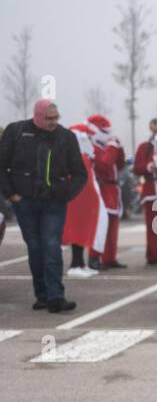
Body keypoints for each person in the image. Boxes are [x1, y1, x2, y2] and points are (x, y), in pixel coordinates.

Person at [0, 98, 87, 312]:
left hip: (53, 203)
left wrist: (66, 194)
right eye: (49, 118)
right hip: (25, 202)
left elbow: (80, 173)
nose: (53, 122)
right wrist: (11, 195)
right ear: (38, 116)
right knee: (35, 247)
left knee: (51, 245)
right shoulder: (16, 131)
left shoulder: (66, 137)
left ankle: (56, 296)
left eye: (56, 117)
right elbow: (2, 166)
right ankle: (42, 295)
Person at [62, 123, 108, 279]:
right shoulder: (75, 156)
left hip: (86, 202)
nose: (90, 141)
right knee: (77, 233)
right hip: (78, 201)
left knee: (83, 233)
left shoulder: (83, 156)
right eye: (87, 137)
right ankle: (75, 265)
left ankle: (81, 263)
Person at [87, 114, 126, 270]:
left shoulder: (106, 147)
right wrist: (112, 147)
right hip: (102, 189)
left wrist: (119, 147)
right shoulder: (92, 148)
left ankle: (110, 258)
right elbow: (104, 165)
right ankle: (94, 257)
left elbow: (120, 164)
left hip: (113, 190)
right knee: (100, 226)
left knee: (113, 227)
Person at [134, 117, 157, 265]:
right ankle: (152, 256)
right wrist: (148, 167)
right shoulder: (144, 147)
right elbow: (137, 167)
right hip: (150, 191)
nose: (156, 132)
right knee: (152, 226)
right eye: (154, 130)